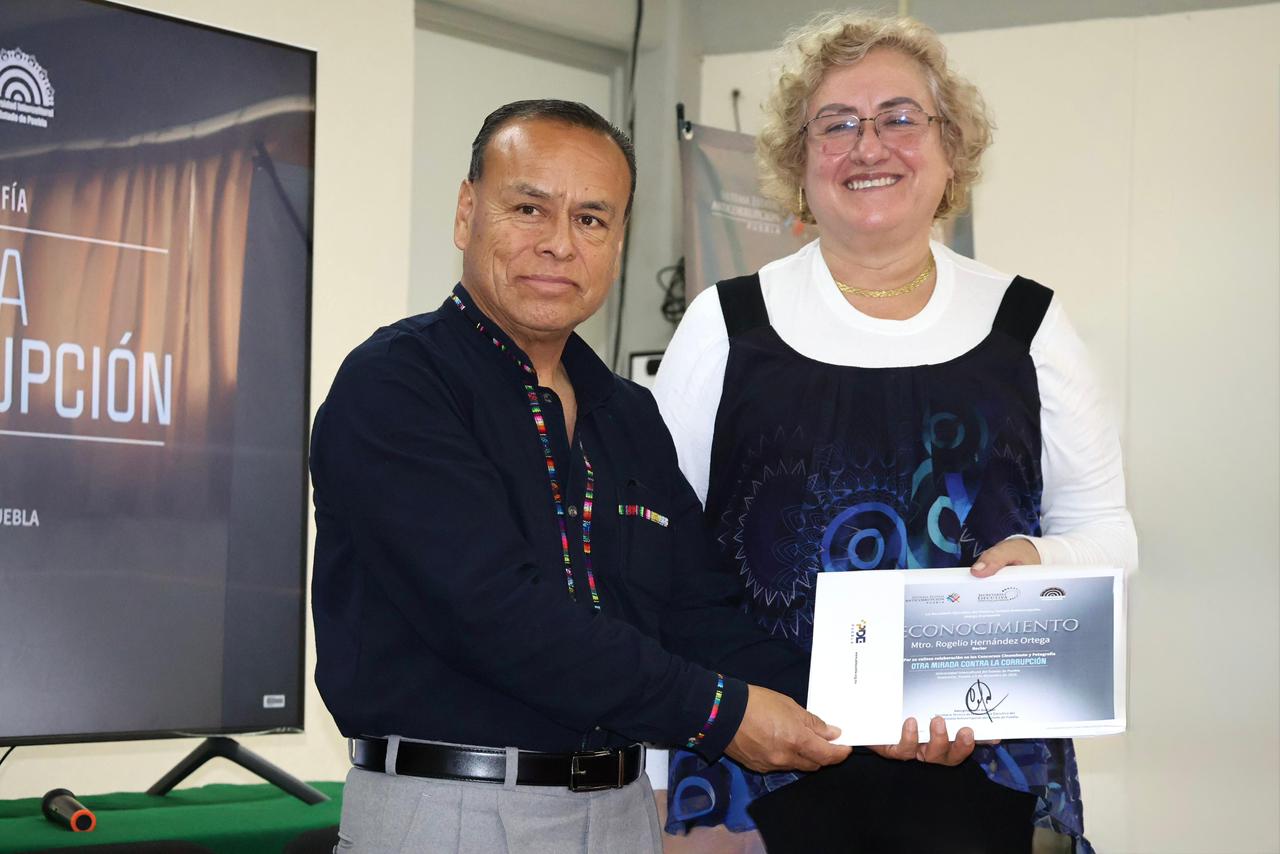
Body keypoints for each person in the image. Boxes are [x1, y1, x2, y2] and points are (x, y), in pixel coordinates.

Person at [309, 99, 850, 854]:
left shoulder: (626, 415)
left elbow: (697, 614)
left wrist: (870, 703)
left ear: (617, 244)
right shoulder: (396, 386)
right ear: (466, 213)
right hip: (452, 815)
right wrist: (723, 714)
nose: (560, 243)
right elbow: (496, 615)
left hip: (622, 817)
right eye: (529, 208)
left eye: (592, 219)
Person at [654, 13, 1137, 854]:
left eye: (900, 118)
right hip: (756, 776)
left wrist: (1040, 558)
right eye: (837, 124)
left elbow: (1110, 534)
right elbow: (658, 554)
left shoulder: (1029, 326)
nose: (868, 146)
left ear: (951, 149)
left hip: (979, 768)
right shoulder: (723, 327)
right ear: (799, 159)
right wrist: (661, 778)